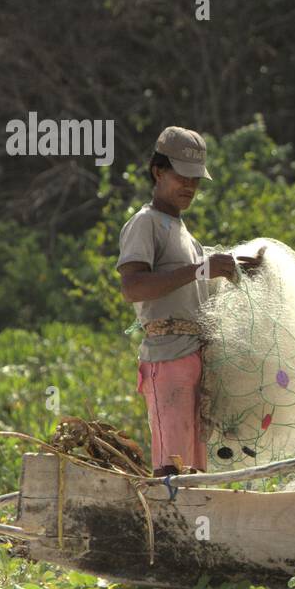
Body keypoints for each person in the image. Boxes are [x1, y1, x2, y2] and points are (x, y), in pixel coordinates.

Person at [116, 126, 261, 476]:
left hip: (193, 357)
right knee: (173, 464)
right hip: (167, 357)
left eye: (196, 179)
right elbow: (133, 287)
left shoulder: (183, 233)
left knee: (194, 466)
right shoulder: (145, 223)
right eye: (182, 176)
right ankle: (169, 525)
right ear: (158, 171)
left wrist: (235, 267)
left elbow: (195, 282)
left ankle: (191, 527)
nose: (190, 186)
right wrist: (201, 270)